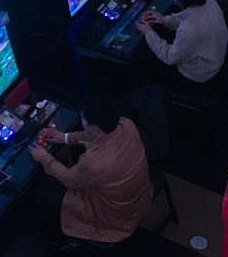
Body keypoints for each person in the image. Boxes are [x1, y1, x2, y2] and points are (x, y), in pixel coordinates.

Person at [27, 92, 152, 244]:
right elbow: (95, 137)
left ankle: (54, 240)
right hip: (138, 195)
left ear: (95, 128)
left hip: (115, 214)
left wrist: (44, 158)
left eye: (84, 119)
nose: (82, 121)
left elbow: (69, 180)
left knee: (42, 192)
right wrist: (64, 137)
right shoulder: (126, 124)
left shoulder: (94, 163)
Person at [135, 0, 228, 86]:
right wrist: (165, 20)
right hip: (215, 54)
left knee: (143, 65)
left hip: (198, 73)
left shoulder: (190, 30)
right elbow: (190, 18)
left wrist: (148, 33)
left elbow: (170, 57)